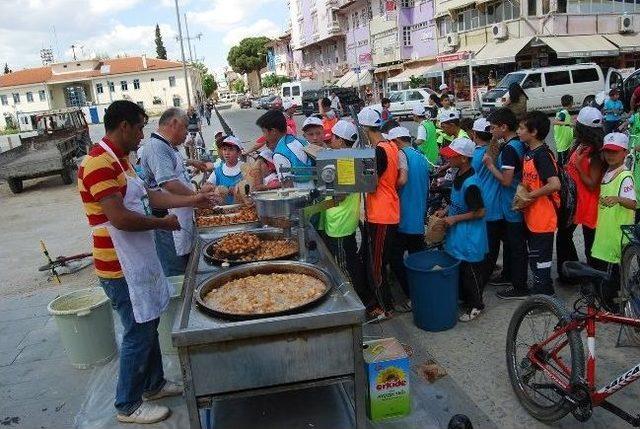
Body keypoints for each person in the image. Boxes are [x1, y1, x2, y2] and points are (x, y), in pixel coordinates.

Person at [77, 100, 214, 424]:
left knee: (150, 320)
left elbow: (149, 195)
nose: (142, 135)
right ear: (124, 126)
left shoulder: (121, 161)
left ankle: (153, 384)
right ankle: (127, 403)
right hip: (117, 263)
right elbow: (120, 217)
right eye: (139, 128)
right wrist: (163, 223)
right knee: (137, 330)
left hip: (137, 257)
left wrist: (192, 199)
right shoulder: (98, 163)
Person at [139, 108, 210, 276]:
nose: (187, 133)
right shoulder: (157, 147)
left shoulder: (167, 145)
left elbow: (173, 164)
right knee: (177, 271)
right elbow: (169, 183)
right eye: (185, 127)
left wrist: (191, 162)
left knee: (188, 263)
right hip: (167, 219)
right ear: (174, 124)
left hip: (181, 216)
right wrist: (196, 198)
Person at [320, 120, 373, 309]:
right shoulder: (350, 158)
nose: (329, 141)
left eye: (332, 138)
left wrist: (321, 192)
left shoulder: (344, 163)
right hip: (342, 221)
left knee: (345, 267)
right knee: (351, 260)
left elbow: (340, 195)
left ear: (341, 141)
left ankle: (360, 303)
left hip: (340, 224)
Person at [357, 107, 402, 316]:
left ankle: (384, 308)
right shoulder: (391, 145)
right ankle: (382, 302)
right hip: (387, 209)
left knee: (376, 264)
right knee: (377, 261)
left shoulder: (379, 150)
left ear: (365, 129)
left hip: (381, 213)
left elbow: (372, 183)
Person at [439, 137, 488, 321]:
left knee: (471, 273)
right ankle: (465, 299)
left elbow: (481, 211)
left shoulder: (471, 184)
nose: (448, 159)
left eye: (453, 156)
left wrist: (455, 218)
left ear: (464, 159)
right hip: (459, 235)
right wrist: (445, 211)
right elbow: (457, 201)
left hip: (470, 237)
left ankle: (476, 305)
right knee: (461, 270)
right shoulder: (459, 173)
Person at [556, 106, 606, 283]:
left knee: (590, 244)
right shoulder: (580, 145)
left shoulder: (596, 153)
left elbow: (592, 183)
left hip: (587, 203)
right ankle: (572, 273)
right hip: (574, 201)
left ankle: (592, 278)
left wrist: (577, 166)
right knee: (564, 235)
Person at [515, 111, 561, 296]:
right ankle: (541, 291)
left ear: (533, 132)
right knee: (535, 258)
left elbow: (554, 184)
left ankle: (545, 296)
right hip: (532, 216)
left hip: (543, 218)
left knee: (541, 260)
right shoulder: (529, 153)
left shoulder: (542, 155)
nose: (518, 131)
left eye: (521, 128)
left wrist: (530, 196)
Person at [485, 108, 528, 299]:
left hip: (514, 206)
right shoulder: (514, 144)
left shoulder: (511, 149)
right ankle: (508, 275)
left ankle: (519, 286)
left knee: (517, 248)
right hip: (510, 206)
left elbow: (506, 180)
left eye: (493, 128)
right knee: (510, 245)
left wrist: (490, 166)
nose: (492, 132)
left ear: (504, 127)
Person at [591, 132, 636, 310]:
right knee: (602, 274)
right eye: (607, 151)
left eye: (614, 152)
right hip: (604, 234)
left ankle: (616, 309)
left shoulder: (625, 176)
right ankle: (607, 305)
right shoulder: (609, 172)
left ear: (624, 152)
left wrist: (617, 199)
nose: (610, 155)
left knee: (612, 277)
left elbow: (633, 203)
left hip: (615, 236)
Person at [388, 126, 429, 305]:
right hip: (418, 215)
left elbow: (401, 181)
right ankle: (423, 291)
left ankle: (412, 295)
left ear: (396, 142)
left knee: (395, 257)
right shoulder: (420, 156)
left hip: (403, 216)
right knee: (417, 257)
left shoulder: (401, 155)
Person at [471, 118, 503, 285]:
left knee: (485, 244)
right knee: (493, 243)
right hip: (497, 204)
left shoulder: (475, 155)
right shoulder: (496, 151)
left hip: (483, 204)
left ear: (475, 134)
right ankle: (489, 271)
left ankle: (483, 275)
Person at [256, 110, 314, 189]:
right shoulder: (302, 142)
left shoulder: (279, 154)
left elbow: (287, 186)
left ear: (273, 131)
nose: (264, 136)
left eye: (264, 132)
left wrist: (264, 187)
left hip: (302, 197)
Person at [202, 136, 245, 204]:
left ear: (239, 153)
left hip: (244, 209)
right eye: (224, 149)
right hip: (225, 211)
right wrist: (212, 188)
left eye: (231, 149)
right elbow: (206, 187)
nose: (227, 153)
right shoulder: (218, 171)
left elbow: (254, 189)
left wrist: (239, 190)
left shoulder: (246, 168)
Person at [553, 95, 574, 166]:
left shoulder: (564, 112)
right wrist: (568, 123)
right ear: (571, 103)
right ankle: (561, 174)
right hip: (562, 143)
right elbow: (555, 122)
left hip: (565, 142)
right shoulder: (563, 113)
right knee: (561, 162)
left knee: (565, 159)